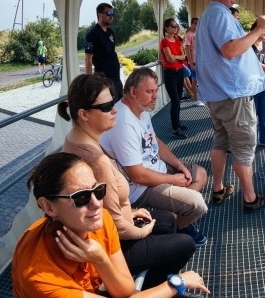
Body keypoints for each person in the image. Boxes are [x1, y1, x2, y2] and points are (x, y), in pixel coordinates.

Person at [60, 73, 197, 289]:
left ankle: (158, 281)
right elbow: (118, 227)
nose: (114, 109)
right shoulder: (97, 162)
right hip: (110, 245)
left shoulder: (75, 140)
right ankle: (153, 289)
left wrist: (131, 212)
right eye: (106, 107)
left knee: (167, 221)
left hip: (110, 228)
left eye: (112, 102)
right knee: (185, 244)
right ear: (83, 114)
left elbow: (107, 208)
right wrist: (145, 230)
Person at [12, 152, 208, 298]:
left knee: (166, 222)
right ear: (48, 207)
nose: (96, 204)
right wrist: (176, 284)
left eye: (98, 190)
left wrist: (100, 260)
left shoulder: (101, 220)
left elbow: (126, 291)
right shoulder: (40, 276)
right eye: (80, 197)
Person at [101, 67, 209, 246]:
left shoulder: (141, 109)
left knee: (200, 174)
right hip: (141, 188)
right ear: (133, 92)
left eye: (156, 91)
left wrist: (179, 165)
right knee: (197, 204)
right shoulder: (123, 124)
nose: (155, 96)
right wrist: (173, 179)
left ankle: (176, 219)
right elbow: (138, 175)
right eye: (150, 91)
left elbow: (155, 142)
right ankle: (177, 225)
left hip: (156, 169)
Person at [195, 0, 265, 211]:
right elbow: (230, 50)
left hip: (217, 93)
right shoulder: (219, 14)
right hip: (232, 95)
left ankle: (218, 189)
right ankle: (250, 198)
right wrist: (259, 29)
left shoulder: (209, 15)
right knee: (244, 147)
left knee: (220, 142)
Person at [85, 2, 123, 101]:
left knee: (120, 105)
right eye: (109, 14)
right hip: (104, 80)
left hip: (116, 78)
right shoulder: (93, 34)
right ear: (100, 15)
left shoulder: (110, 32)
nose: (111, 16)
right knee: (110, 107)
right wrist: (89, 83)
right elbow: (88, 59)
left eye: (113, 14)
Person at [160, 18, 189, 139]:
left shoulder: (177, 40)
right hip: (170, 73)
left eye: (176, 25)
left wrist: (175, 57)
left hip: (179, 72)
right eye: (172, 26)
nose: (175, 28)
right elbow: (169, 59)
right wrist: (178, 57)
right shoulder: (164, 42)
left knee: (179, 100)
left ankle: (177, 123)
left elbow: (184, 56)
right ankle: (175, 129)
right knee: (175, 101)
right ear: (166, 28)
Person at [183, 17, 203, 106]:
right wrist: (191, 64)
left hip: (201, 60)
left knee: (201, 80)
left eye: (198, 23)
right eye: (195, 23)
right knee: (194, 81)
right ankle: (196, 99)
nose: (197, 25)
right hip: (194, 61)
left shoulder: (199, 33)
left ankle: (202, 96)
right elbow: (187, 50)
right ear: (191, 24)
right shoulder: (189, 35)